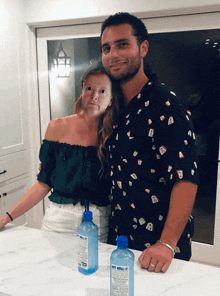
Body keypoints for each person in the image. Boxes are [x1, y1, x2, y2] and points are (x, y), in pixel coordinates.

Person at [100, 12, 199, 272]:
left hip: (159, 248)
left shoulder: (166, 104)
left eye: (122, 44)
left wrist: (166, 244)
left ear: (143, 48)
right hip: (119, 241)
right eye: (106, 48)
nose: (113, 54)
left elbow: (185, 178)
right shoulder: (113, 107)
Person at [0, 61, 121, 243]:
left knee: (92, 270)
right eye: (89, 88)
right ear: (82, 89)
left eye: (102, 91)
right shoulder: (57, 126)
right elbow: (43, 183)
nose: (94, 96)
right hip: (58, 219)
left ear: (111, 98)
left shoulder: (116, 134)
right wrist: (6, 218)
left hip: (98, 221)